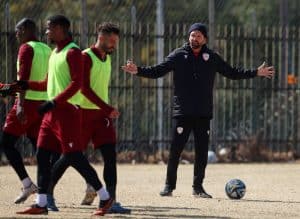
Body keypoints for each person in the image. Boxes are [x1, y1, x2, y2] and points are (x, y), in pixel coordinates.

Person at [122, 23, 275, 198]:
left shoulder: (211, 57)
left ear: (205, 39)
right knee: (175, 151)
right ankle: (169, 186)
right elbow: (158, 70)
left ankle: (198, 188)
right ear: (189, 37)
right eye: (192, 35)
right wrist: (138, 70)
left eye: (199, 36)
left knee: (202, 152)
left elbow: (232, 72)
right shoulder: (178, 55)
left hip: (203, 113)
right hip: (183, 112)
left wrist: (255, 72)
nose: (195, 38)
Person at [16, 15, 113, 216]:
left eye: (49, 28)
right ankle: (41, 203)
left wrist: (54, 102)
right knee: (42, 155)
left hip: (67, 112)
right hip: (52, 114)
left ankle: (105, 197)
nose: (46, 32)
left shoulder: (74, 52)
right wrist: (25, 85)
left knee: (73, 156)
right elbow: (46, 83)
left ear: (61, 28)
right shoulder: (54, 52)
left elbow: (77, 84)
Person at [0, 18, 60, 204]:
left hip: (27, 104)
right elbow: (47, 81)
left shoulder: (26, 48)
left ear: (25, 29)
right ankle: (46, 193)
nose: (16, 34)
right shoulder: (47, 49)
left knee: (6, 143)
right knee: (40, 150)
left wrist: (19, 106)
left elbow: (24, 78)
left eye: (18, 30)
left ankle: (28, 184)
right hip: (42, 105)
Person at [78, 22, 131, 214]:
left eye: (116, 41)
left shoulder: (107, 58)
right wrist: (107, 107)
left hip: (102, 116)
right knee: (70, 157)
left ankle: (111, 200)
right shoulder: (85, 57)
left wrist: (105, 109)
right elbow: (84, 89)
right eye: (111, 41)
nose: (114, 45)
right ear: (100, 38)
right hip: (83, 112)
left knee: (110, 156)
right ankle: (45, 196)